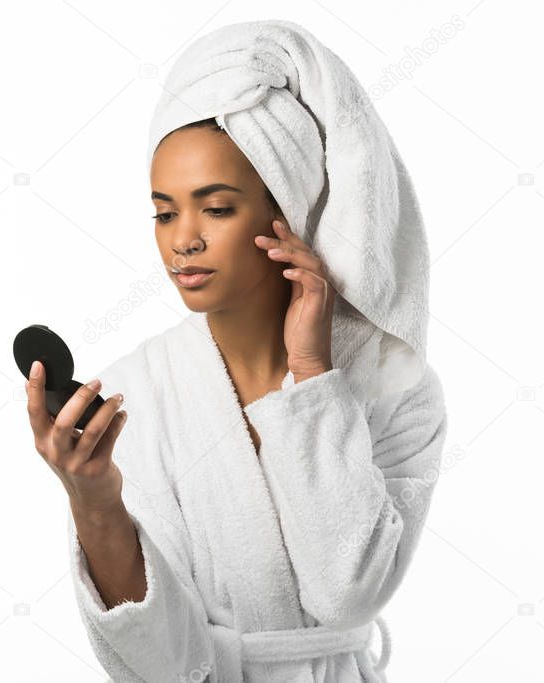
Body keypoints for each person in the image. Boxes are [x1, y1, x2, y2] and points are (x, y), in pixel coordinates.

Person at [25, 20, 448, 683]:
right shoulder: (136, 396)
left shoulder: (393, 384)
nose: (181, 241)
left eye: (215, 208)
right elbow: (161, 664)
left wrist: (311, 379)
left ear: (289, 210)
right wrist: (95, 502)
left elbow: (349, 592)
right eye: (165, 213)